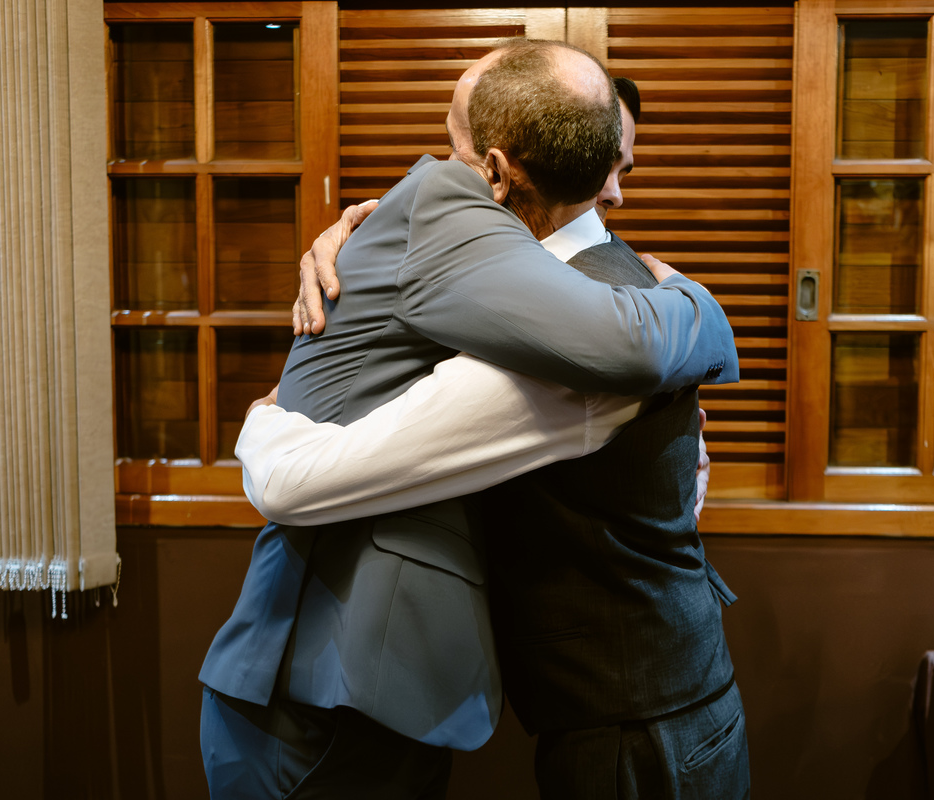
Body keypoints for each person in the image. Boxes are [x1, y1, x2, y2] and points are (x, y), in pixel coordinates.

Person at [198, 42, 738, 800]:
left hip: (638, 719)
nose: (432, 174)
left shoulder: (580, 341)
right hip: (619, 701)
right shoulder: (529, 295)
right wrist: (356, 239)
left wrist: (261, 420)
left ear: (494, 168)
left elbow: (297, 478)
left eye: (451, 151)